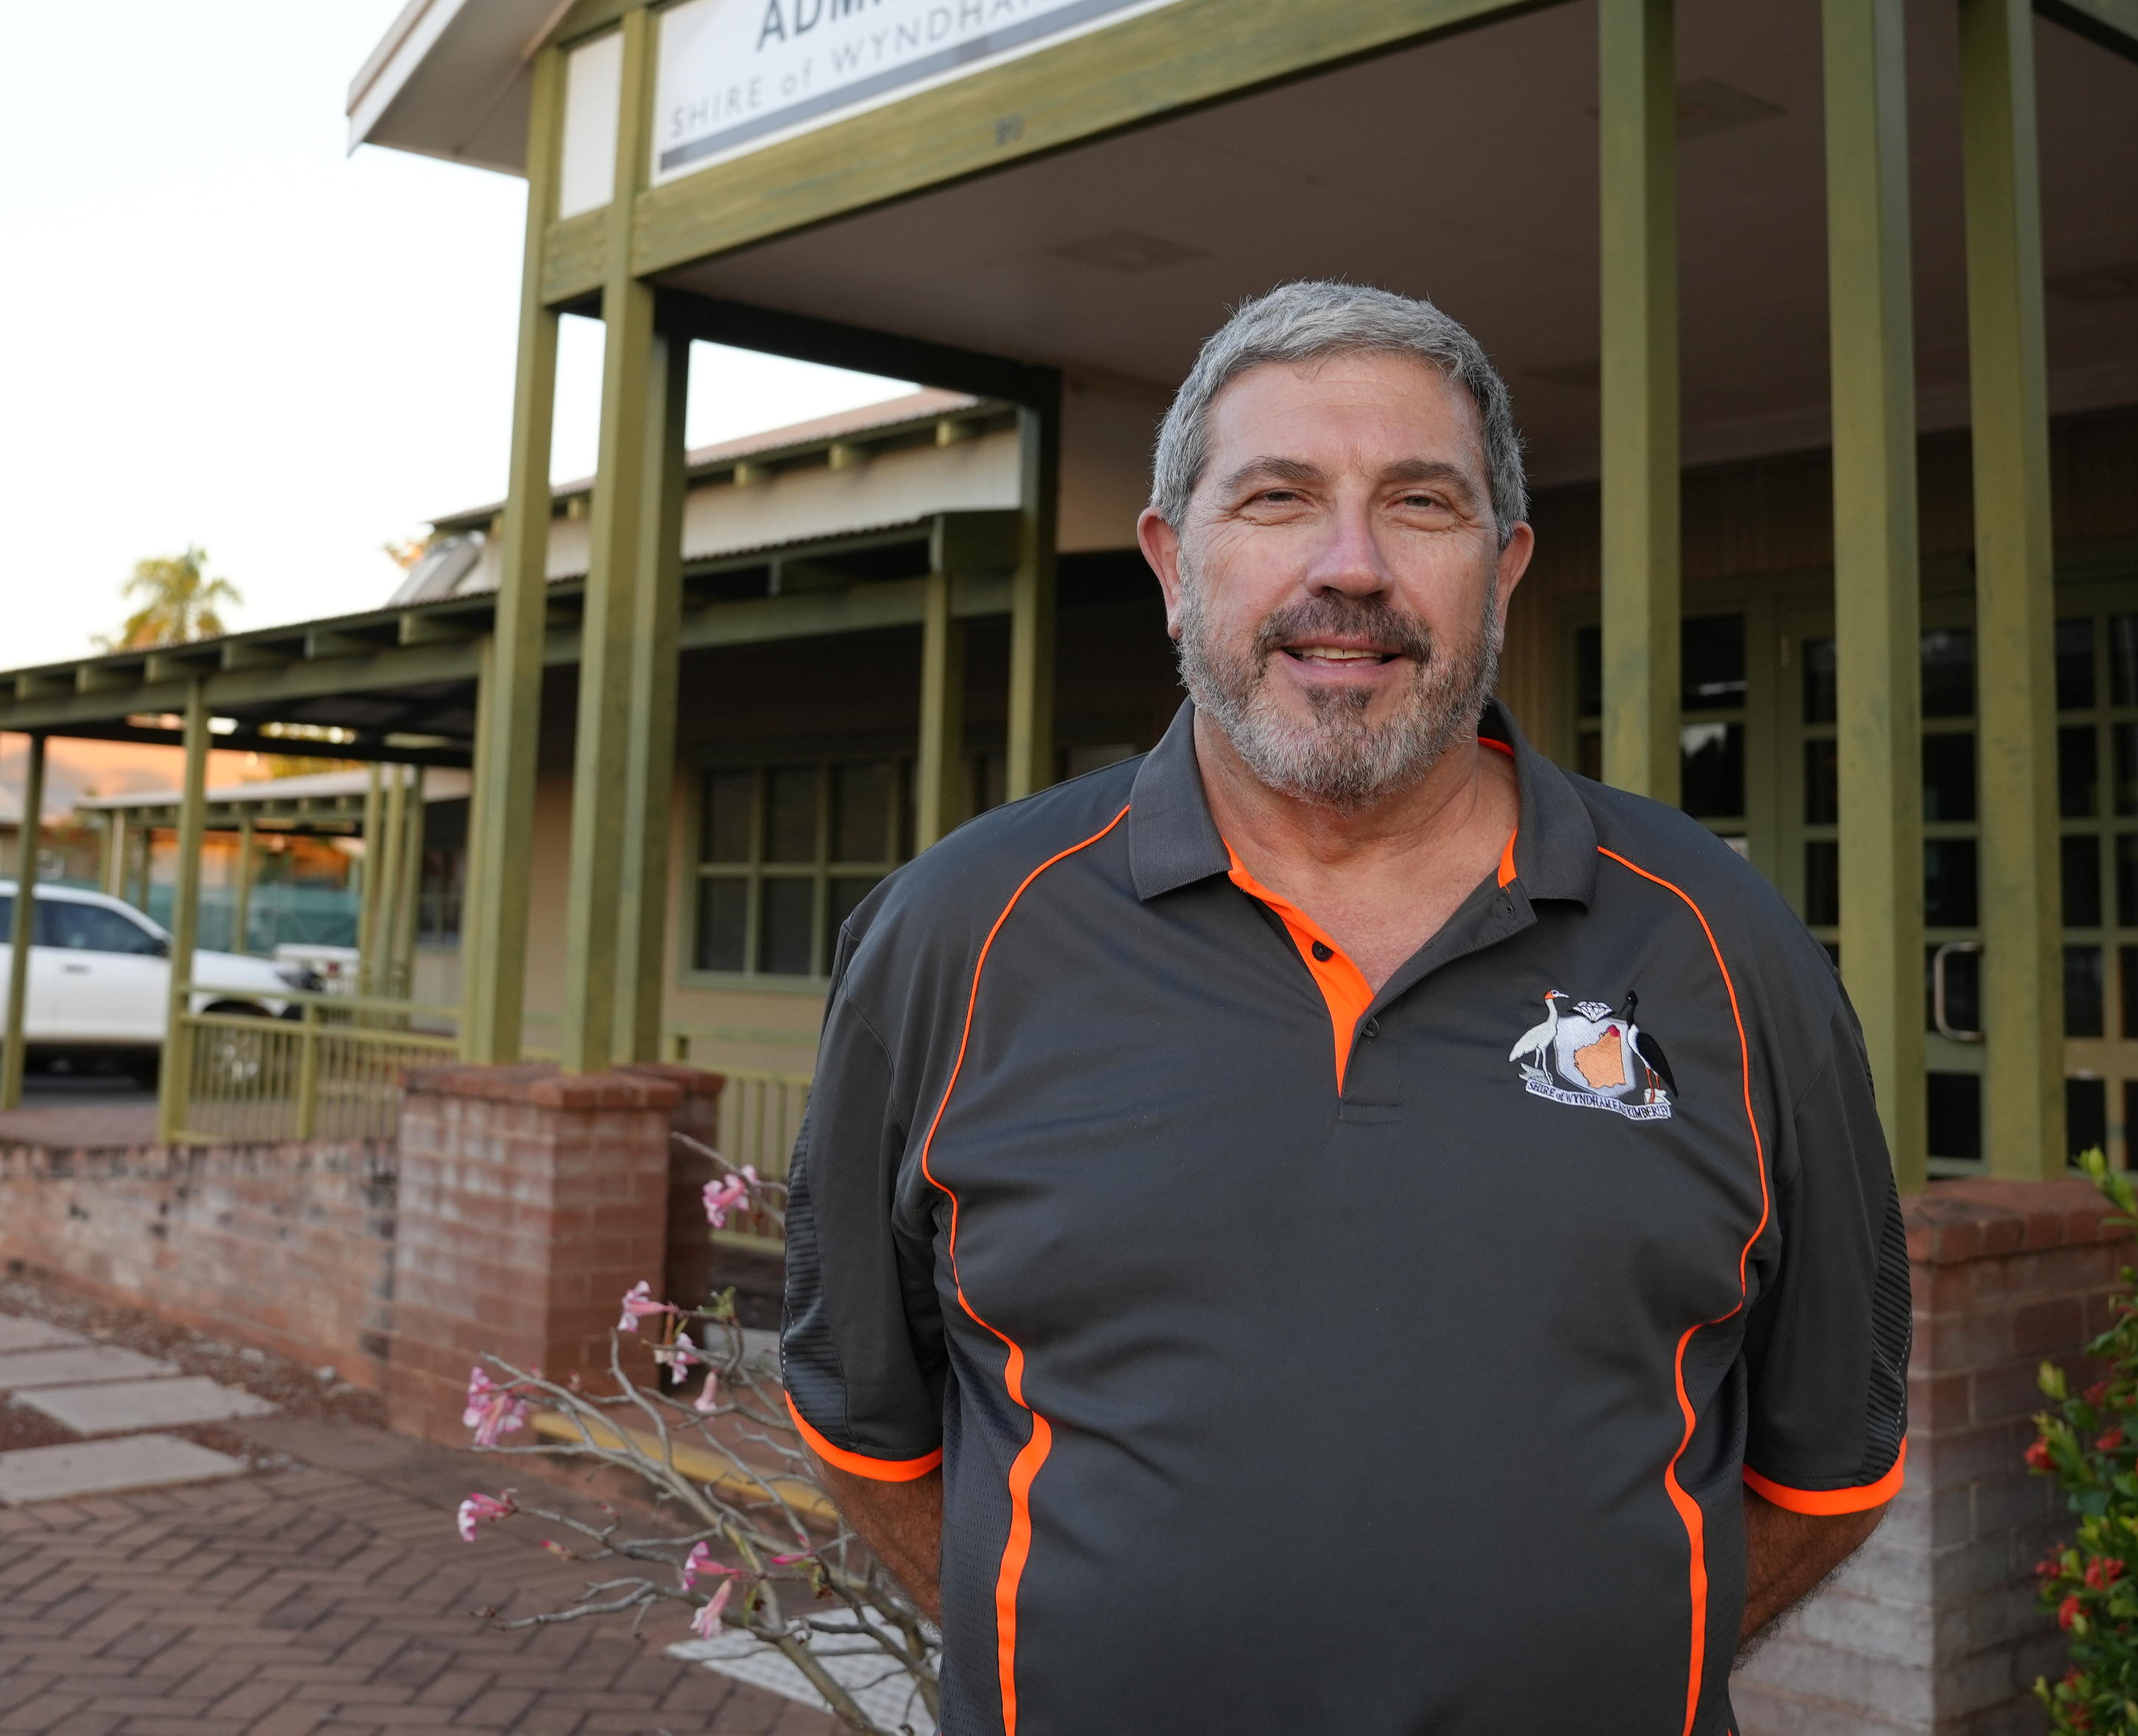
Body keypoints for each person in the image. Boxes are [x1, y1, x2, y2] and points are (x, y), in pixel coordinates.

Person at [782, 280, 1909, 1736]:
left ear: (1501, 568)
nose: (1351, 565)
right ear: (1174, 561)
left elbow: (1829, 1462)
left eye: (1420, 502)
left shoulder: (1724, 944)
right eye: (1277, 497)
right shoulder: (955, 934)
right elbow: (861, 1416)